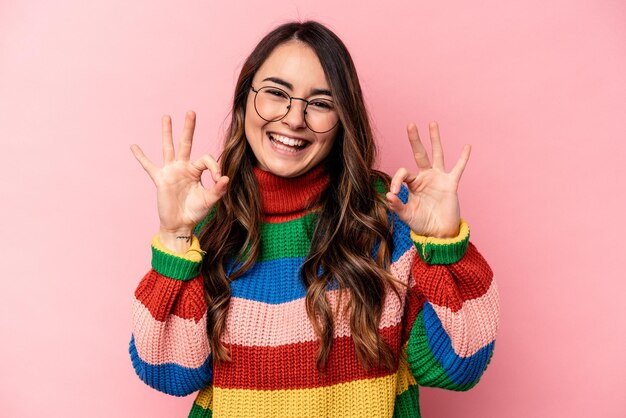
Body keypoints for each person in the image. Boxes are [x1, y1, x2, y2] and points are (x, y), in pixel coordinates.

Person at [129, 20, 499, 418]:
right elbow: (166, 372)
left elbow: (458, 365)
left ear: (344, 120)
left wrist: (444, 245)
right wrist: (175, 235)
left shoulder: (389, 216)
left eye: (321, 103)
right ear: (243, 100)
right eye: (275, 93)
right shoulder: (209, 224)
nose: (294, 119)